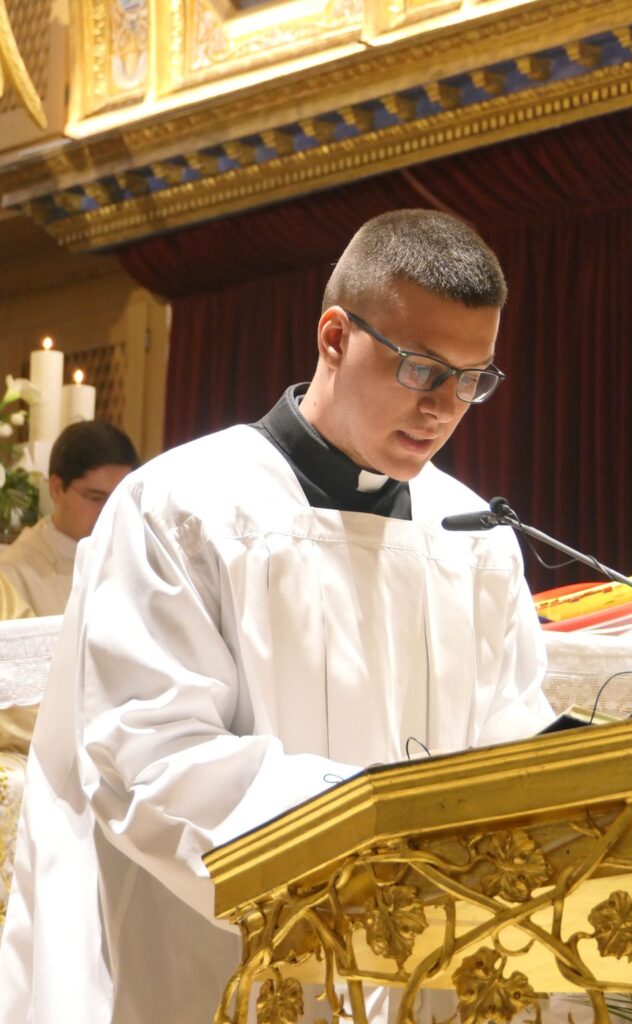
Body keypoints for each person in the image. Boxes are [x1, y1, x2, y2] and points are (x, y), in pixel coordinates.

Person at [0, 210, 553, 1023]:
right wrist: (378, 829)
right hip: (222, 968)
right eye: (420, 369)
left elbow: (510, 745)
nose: (444, 407)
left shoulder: (472, 537)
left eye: (473, 379)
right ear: (334, 336)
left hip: (419, 972)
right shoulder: (182, 507)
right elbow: (151, 758)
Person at [0, 420, 140, 616]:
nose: (108, 511)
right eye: (95, 498)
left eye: (118, 499)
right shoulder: (13, 573)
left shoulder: (137, 557)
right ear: (56, 488)